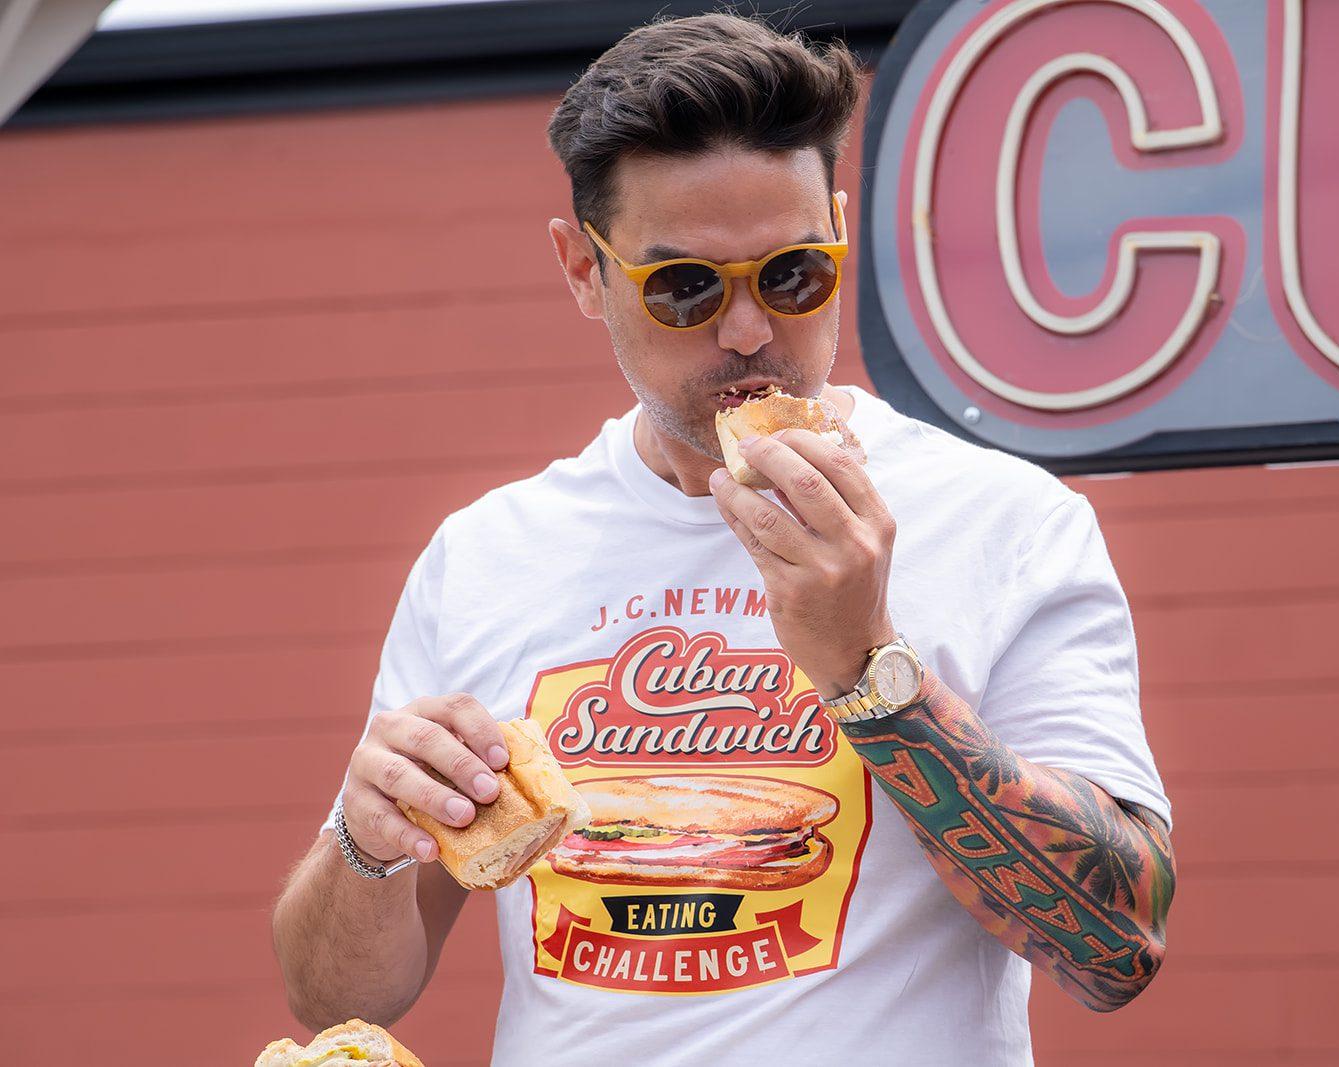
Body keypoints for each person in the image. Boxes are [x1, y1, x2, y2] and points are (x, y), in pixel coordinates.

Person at [270, 12, 1173, 1065]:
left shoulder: (1005, 519)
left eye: (793, 273)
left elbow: (1117, 948)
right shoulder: (486, 554)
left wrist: (865, 668)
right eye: (685, 286)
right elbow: (338, 996)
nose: (749, 332)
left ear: (839, 232)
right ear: (582, 269)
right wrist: (366, 842)